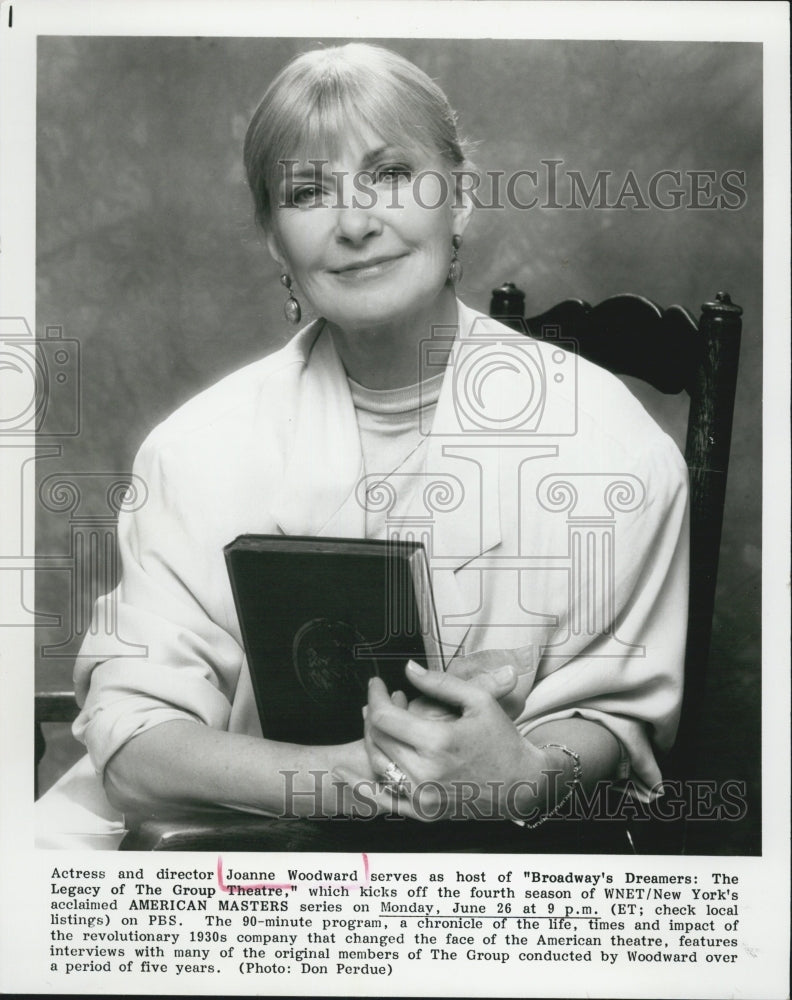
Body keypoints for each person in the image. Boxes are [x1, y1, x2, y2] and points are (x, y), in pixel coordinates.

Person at [36, 43, 688, 848]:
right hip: (245, 857)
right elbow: (133, 744)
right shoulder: (190, 452)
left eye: (389, 174)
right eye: (308, 191)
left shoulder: (609, 444)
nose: (355, 224)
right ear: (274, 239)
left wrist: (520, 774)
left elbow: (611, 714)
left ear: (462, 198)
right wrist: (356, 782)